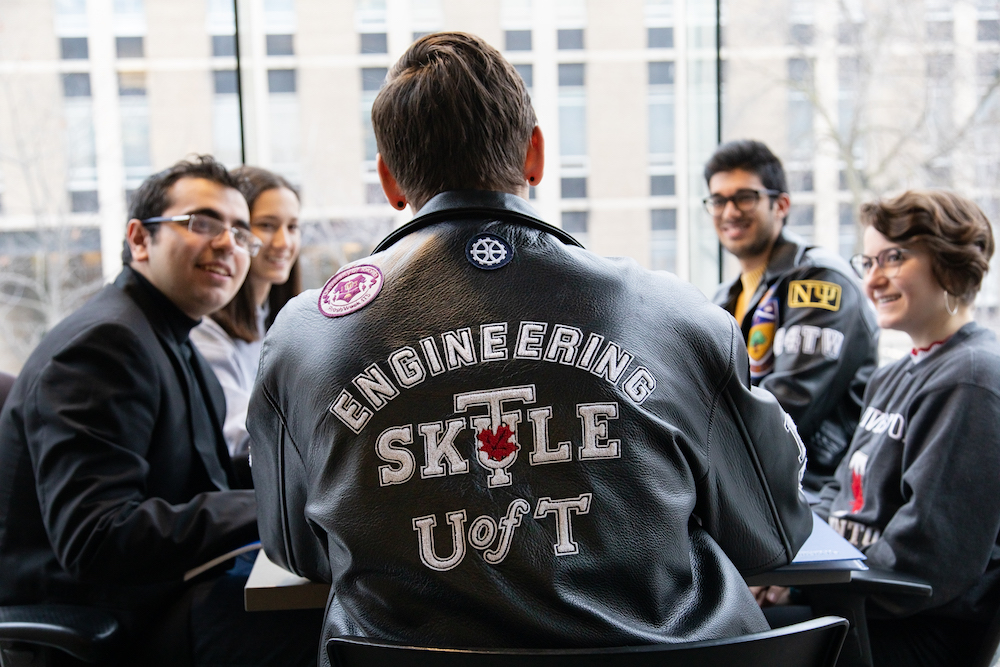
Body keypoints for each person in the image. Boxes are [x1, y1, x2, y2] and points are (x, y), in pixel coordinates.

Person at [249, 32, 812, 664]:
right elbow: (771, 534)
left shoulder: (304, 339)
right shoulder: (679, 317)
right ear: (536, 154)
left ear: (389, 179)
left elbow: (298, 550)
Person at [0, 156, 320, 666]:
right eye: (202, 223)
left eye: (241, 233)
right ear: (139, 239)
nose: (228, 244)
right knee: (338, 624)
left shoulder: (168, 333)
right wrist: (270, 508)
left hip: (166, 592)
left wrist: (307, 482)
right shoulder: (106, 344)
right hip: (113, 619)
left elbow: (206, 471)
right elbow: (96, 538)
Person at [811, 190, 1000, 667]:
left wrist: (805, 584)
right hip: (856, 600)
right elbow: (839, 493)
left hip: (910, 630)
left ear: (950, 261)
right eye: (868, 261)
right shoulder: (891, 375)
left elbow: (928, 559)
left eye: (893, 258)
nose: (873, 279)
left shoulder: (972, 378)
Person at [705, 140, 879, 491]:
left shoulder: (819, 282)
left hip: (818, 487)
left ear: (781, 204)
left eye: (745, 197)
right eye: (718, 200)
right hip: (754, 481)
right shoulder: (725, 298)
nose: (729, 211)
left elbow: (791, 404)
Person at [191, 166, 302, 480]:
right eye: (267, 225)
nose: (283, 241)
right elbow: (238, 437)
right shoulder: (206, 332)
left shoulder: (277, 320)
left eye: (292, 226)